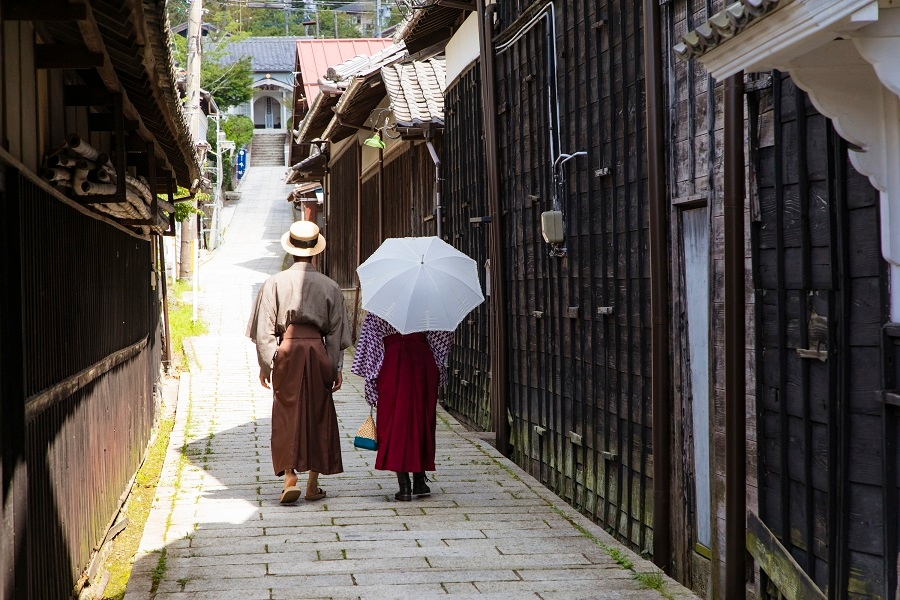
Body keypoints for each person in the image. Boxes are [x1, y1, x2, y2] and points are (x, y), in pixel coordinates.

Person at [246, 220, 351, 504]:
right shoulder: (330, 286)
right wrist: (335, 367)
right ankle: (313, 484)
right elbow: (336, 331)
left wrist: (268, 364)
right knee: (319, 411)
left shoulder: (274, 283)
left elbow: (264, 329)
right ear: (315, 252)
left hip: (288, 351)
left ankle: (290, 474)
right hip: (318, 351)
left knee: (286, 413)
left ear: (291, 250)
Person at [350, 313, 453, 501]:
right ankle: (420, 481)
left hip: (393, 361)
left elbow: (370, 343)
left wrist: (373, 374)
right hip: (423, 360)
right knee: (422, 419)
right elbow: (443, 338)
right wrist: (436, 364)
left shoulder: (380, 307)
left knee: (394, 420)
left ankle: (404, 486)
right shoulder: (428, 304)